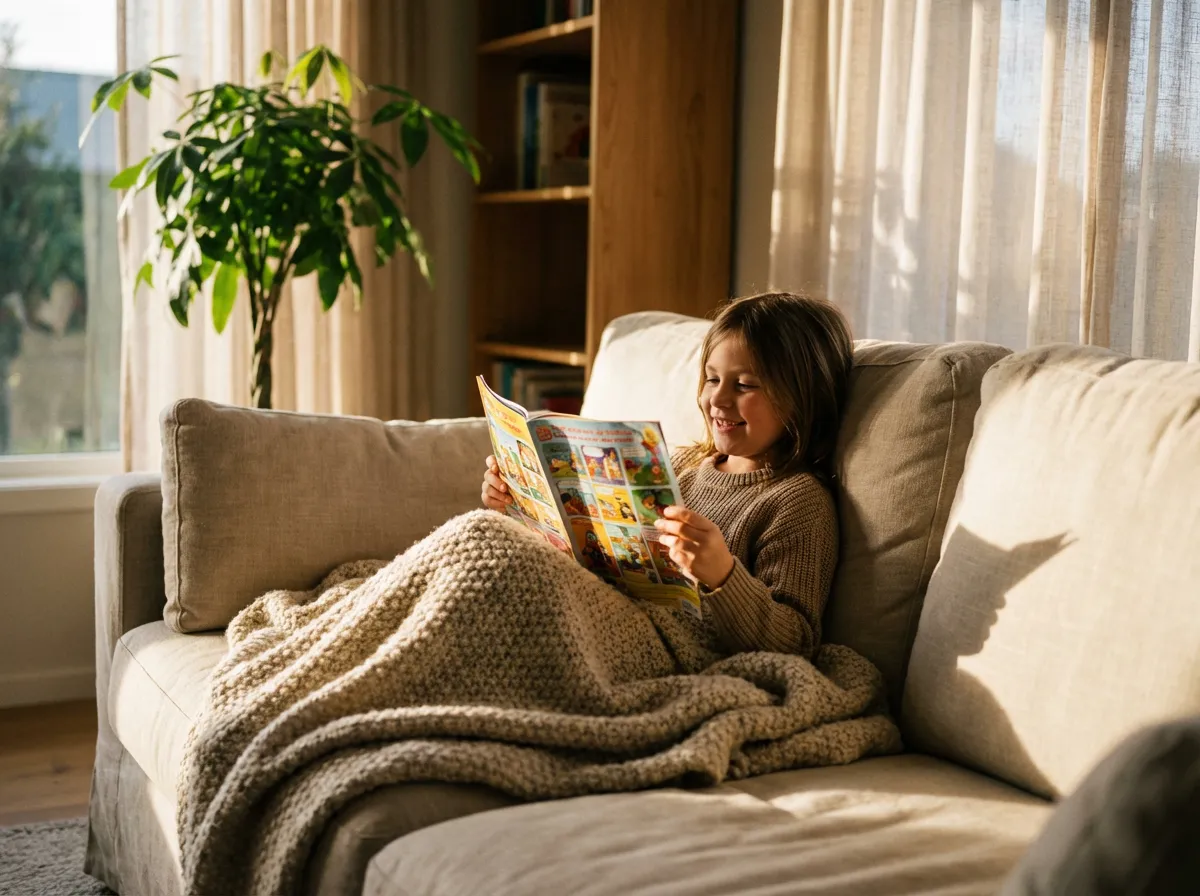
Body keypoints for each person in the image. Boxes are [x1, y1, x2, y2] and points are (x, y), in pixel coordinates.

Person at [482, 292, 854, 659]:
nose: (718, 399)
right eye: (712, 379)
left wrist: (723, 575)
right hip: (598, 612)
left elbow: (796, 642)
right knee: (483, 542)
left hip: (657, 649)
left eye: (744, 385)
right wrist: (518, 505)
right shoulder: (681, 467)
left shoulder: (799, 502)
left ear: (804, 397)